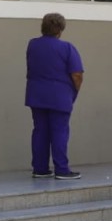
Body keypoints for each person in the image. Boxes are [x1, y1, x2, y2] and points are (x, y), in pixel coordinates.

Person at [25, 13, 84, 180]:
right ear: (60, 29)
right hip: (60, 96)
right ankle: (62, 169)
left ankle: (40, 168)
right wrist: (74, 91)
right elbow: (77, 74)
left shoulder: (33, 45)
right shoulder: (67, 48)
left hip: (36, 94)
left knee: (40, 131)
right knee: (59, 132)